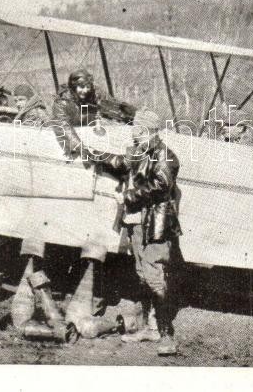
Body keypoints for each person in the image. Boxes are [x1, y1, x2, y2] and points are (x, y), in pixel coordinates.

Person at [88, 108, 182, 356]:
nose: (133, 133)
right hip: (138, 224)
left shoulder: (166, 157)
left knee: (154, 277)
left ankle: (167, 335)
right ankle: (151, 328)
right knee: (142, 275)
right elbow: (120, 162)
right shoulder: (141, 152)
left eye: (136, 129)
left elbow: (161, 186)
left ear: (145, 130)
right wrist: (90, 152)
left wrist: (127, 196)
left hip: (155, 226)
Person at [51, 69, 136, 158]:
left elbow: (111, 104)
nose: (85, 90)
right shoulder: (62, 102)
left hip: (88, 126)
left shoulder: (94, 91)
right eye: (82, 87)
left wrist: (128, 112)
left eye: (88, 87)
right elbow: (64, 127)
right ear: (74, 87)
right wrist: (80, 146)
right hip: (71, 131)